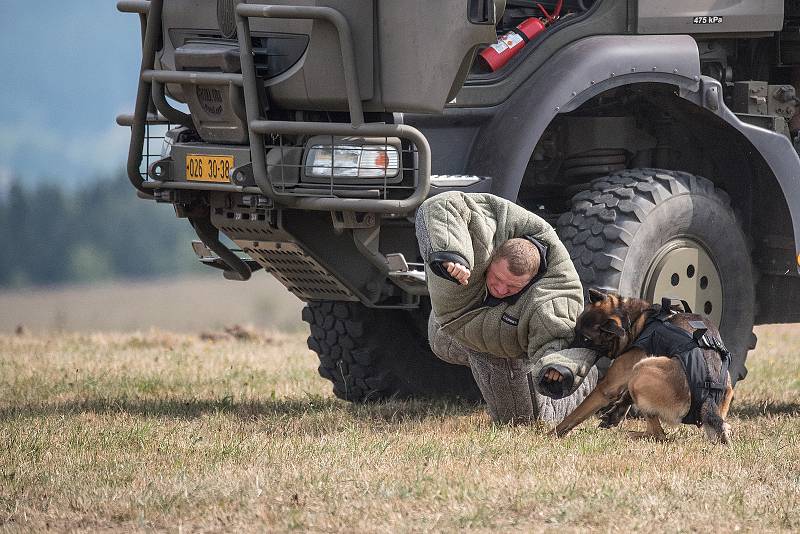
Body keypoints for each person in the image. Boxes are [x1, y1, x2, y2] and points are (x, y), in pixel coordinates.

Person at [415, 191, 601, 423]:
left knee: (523, 421)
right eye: (496, 279)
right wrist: (452, 252)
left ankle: (589, 380)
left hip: (503, 350)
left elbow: (558, 336)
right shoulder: (487, 237)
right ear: (493, 258)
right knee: (441, 342)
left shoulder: (553, 297)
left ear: (530, 280)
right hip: (447, 327)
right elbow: (440, 206)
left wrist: (560, 368)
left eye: (511, 287)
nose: (500, 290)